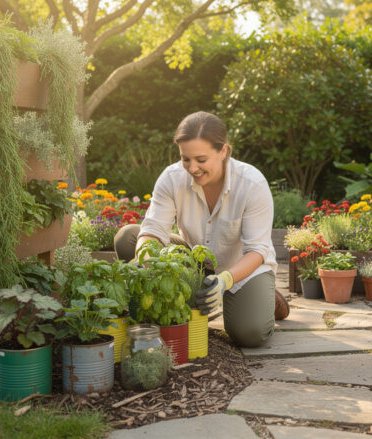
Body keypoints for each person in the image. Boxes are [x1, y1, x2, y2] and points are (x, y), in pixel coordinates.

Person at [114, 111, 289, 348]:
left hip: (242, 269)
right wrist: (144, 261)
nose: (192, 168)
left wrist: (225, 280)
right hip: (195, 262)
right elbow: (153, 230)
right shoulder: (172, 178)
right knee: (128, 238)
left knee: (250, 333)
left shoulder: (251, 184)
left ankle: (266, 298)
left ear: (224, 151)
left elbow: (257, 251)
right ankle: (205, 296)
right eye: (186, 159)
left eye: (201, 160)